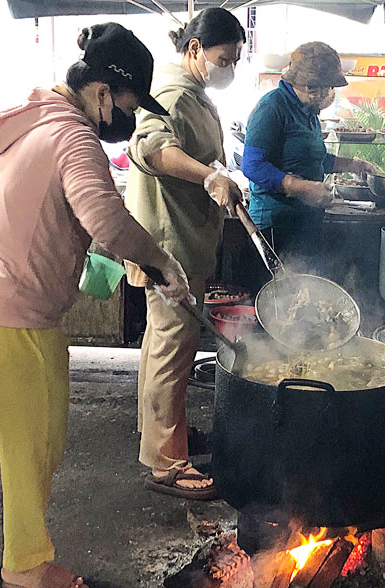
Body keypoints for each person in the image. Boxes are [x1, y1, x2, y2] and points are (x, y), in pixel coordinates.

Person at [0, 23, 192, 588]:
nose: (130, 117)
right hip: (11, 317)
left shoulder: (33, 118)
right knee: (32, 441)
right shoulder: (74, 137)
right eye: (132, 102)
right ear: (103, 92)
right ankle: (28, 565)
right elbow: (105, 219)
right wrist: (163, 262)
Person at [125, 7, 245, 501]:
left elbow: (195, 149)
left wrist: (217, 169)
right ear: (195, 50)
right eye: (224, 58)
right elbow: (152, 150)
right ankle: (165, 464)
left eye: (236, 59)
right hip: (168, 241)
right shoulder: (172, 92)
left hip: (183, 237)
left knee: (165, 343)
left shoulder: (192, 92)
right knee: (172, 346)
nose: (229, 67)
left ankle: (161, 434)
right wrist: (209, 176)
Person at [241, 42, 379, 288]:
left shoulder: (308, 111)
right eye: (327, 86)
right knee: (278, 300)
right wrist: (300, 187)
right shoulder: (272, 108)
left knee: (303, 298)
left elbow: (312, 158)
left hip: (306, 222)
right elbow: (252, 166)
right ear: (307, 84)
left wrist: (352, 165)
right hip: (276, 227)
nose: (330, 92)